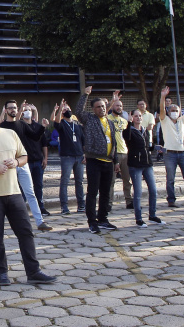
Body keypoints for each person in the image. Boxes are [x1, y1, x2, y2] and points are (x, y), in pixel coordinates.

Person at [0, 108, 56, 286]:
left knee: (26, 232)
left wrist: (16, 162)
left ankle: (33, 271)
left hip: (14, 192)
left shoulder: (10, 134)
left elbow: (24, 156)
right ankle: (1, 272)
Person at [74, 86, 120, 234]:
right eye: (98, 107)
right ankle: (92, 221)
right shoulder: (89, 119)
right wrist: (85, 95)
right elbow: (79, 112)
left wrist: (116, 160)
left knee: (106, 192)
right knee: (93, 192)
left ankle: (103, 219)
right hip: (94, 160)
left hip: (108, 161)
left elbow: (114, 142)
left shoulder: (110, 123)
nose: (101, 109)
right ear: (93, 109)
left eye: (103, 106)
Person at [0, 101, 48, 214]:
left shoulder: (22, 124)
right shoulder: (2, 126)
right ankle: (15, 212)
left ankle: (39, 218)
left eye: (15, 108)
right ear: (6, 110)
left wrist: (43, 127)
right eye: (10, 108)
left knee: (30, 191)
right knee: (13, 190)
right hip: (8, 162)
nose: (13, 110)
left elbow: (35, 136)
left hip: (22, 162)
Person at [157, 87, 184, 207]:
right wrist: (163, 96)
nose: (174, 112)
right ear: (169, 112)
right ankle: (171, 200)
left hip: (183, 152)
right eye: (172, 110)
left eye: (176, 110)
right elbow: (162, 109)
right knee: (170, 179)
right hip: (170, 153)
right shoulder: (164, 120)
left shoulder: (182, 121)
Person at [122, 110, 162, 227]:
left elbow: (146, 146)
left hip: (147, 163)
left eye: (140, 116)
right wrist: (128, 123)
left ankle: (152, 215)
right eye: (135, 116)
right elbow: (127, 138)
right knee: (138, 192)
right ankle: (138, 218)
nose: (138, 118)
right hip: (135, 164)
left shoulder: (145, 131)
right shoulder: (129, 130)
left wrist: (156, 147)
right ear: (132, 118)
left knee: (153, 190)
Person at [51, 101, 85, 215]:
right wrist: (60, 109)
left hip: (79, 156)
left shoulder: (78, 125)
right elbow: (55, 122)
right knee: (65, 181)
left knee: (79, 181)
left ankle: (81, 205)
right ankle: (64, 206)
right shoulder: (61, 124)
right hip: (67, 156)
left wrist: (85, 154)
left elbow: (83, 141)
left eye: (68, 108)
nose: (67, 111)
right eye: (64, 110)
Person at [107, 92, 133, 210]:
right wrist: (112, 100)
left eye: (121, 106)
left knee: (127, 180)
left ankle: (129, 201)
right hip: (113, 153)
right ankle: (109, 203)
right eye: (117, 105)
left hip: (125, 152)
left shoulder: (124, 121)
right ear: (112, 107)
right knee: (111, 180)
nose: (119, 108)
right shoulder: (108, 119)